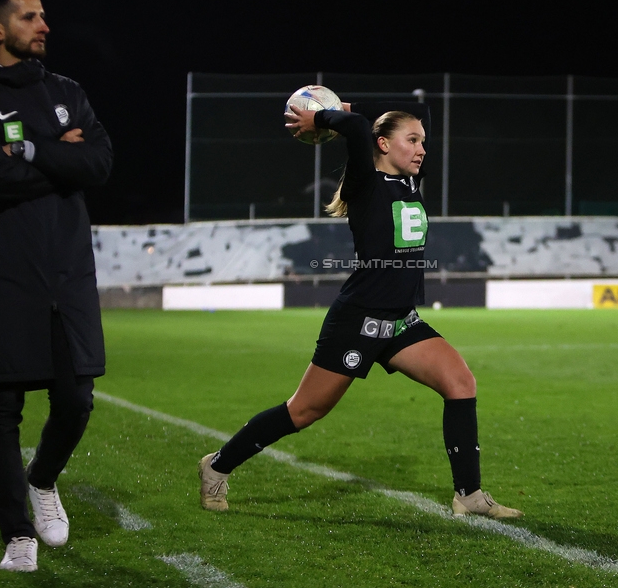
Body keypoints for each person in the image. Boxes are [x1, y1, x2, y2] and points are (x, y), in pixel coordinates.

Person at [198, 99, 522, 520]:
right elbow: (353, 127)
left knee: (461, 383)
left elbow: (388, 120)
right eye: (412, 140)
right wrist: (325, 116)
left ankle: (470, 496)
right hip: (359, 319)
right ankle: (216, 465)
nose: (422, 148)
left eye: (423, 140)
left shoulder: (410, 181)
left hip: (401, 322)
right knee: (303, 411)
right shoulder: (365, 183)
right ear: (383, 144)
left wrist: (351, 110)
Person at [0, 0, 113, 572]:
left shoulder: (66, 91)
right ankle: (17, 535)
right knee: (2, 407)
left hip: (64, 272)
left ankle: (43, 479)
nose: (44, 24)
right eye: (29, 16)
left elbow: (100, 162)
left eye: (44, 14)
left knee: (76, 398)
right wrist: (61, 158)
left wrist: (36, 154)